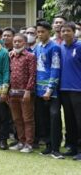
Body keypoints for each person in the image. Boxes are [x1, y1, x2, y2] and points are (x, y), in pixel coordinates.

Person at [33, 20, 63, 158]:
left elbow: (55, 68)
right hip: (38, 90)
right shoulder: (37, 47)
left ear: (49, 32)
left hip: (52, 91)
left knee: (54, 118)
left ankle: (56, 148)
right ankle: (48, 145)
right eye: (38, 32)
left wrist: (50, 89)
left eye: (42, 32)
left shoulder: (54, 47)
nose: (39, 34)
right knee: (42, 119)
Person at [7, 33, 36, 153]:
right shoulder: (11, 56)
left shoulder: (30, 56)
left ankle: (29, 144)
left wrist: (28, 91)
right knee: (17, 119)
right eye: (15, 41)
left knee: (27, 119)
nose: (17, 43)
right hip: (13, 93)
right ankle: (21, 141)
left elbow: (32, 75)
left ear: (25, 43)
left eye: (19, 41)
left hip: (25, 93)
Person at [58, 22, 81, 160]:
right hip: (64, 89)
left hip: (78, 90)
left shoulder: (79, 47)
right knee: (69, 120)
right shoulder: (61, 47)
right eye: (63, 31)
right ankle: (72, 147)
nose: (65, 33)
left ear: (74, 32)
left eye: (68, 31)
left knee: (80, 121)